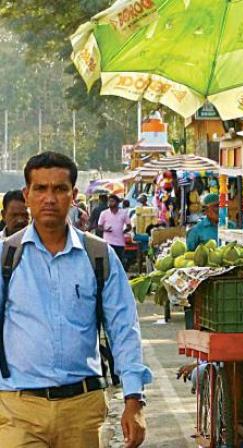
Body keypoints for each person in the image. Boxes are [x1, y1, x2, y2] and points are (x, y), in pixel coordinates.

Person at [0, 151, 150, 447]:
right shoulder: (6, 256)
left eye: (59, 189)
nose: (50, 198)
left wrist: (134, 399)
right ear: (27, 194)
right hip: (18, 409)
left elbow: (124, 329)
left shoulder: (99, 256)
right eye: (41, 189)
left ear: (73, 195)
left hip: (83, 409)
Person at [98, 194, 132, 261]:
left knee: (119, 261)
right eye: (109, 201)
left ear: (117, 203)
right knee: (109, 261)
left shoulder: (123, 213)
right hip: (108, 242)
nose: (110, 203)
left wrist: (123, 231)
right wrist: (105, 230)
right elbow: (99, 226)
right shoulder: (104, 213)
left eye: (112, 201)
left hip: (120, 243)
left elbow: (129, 226)